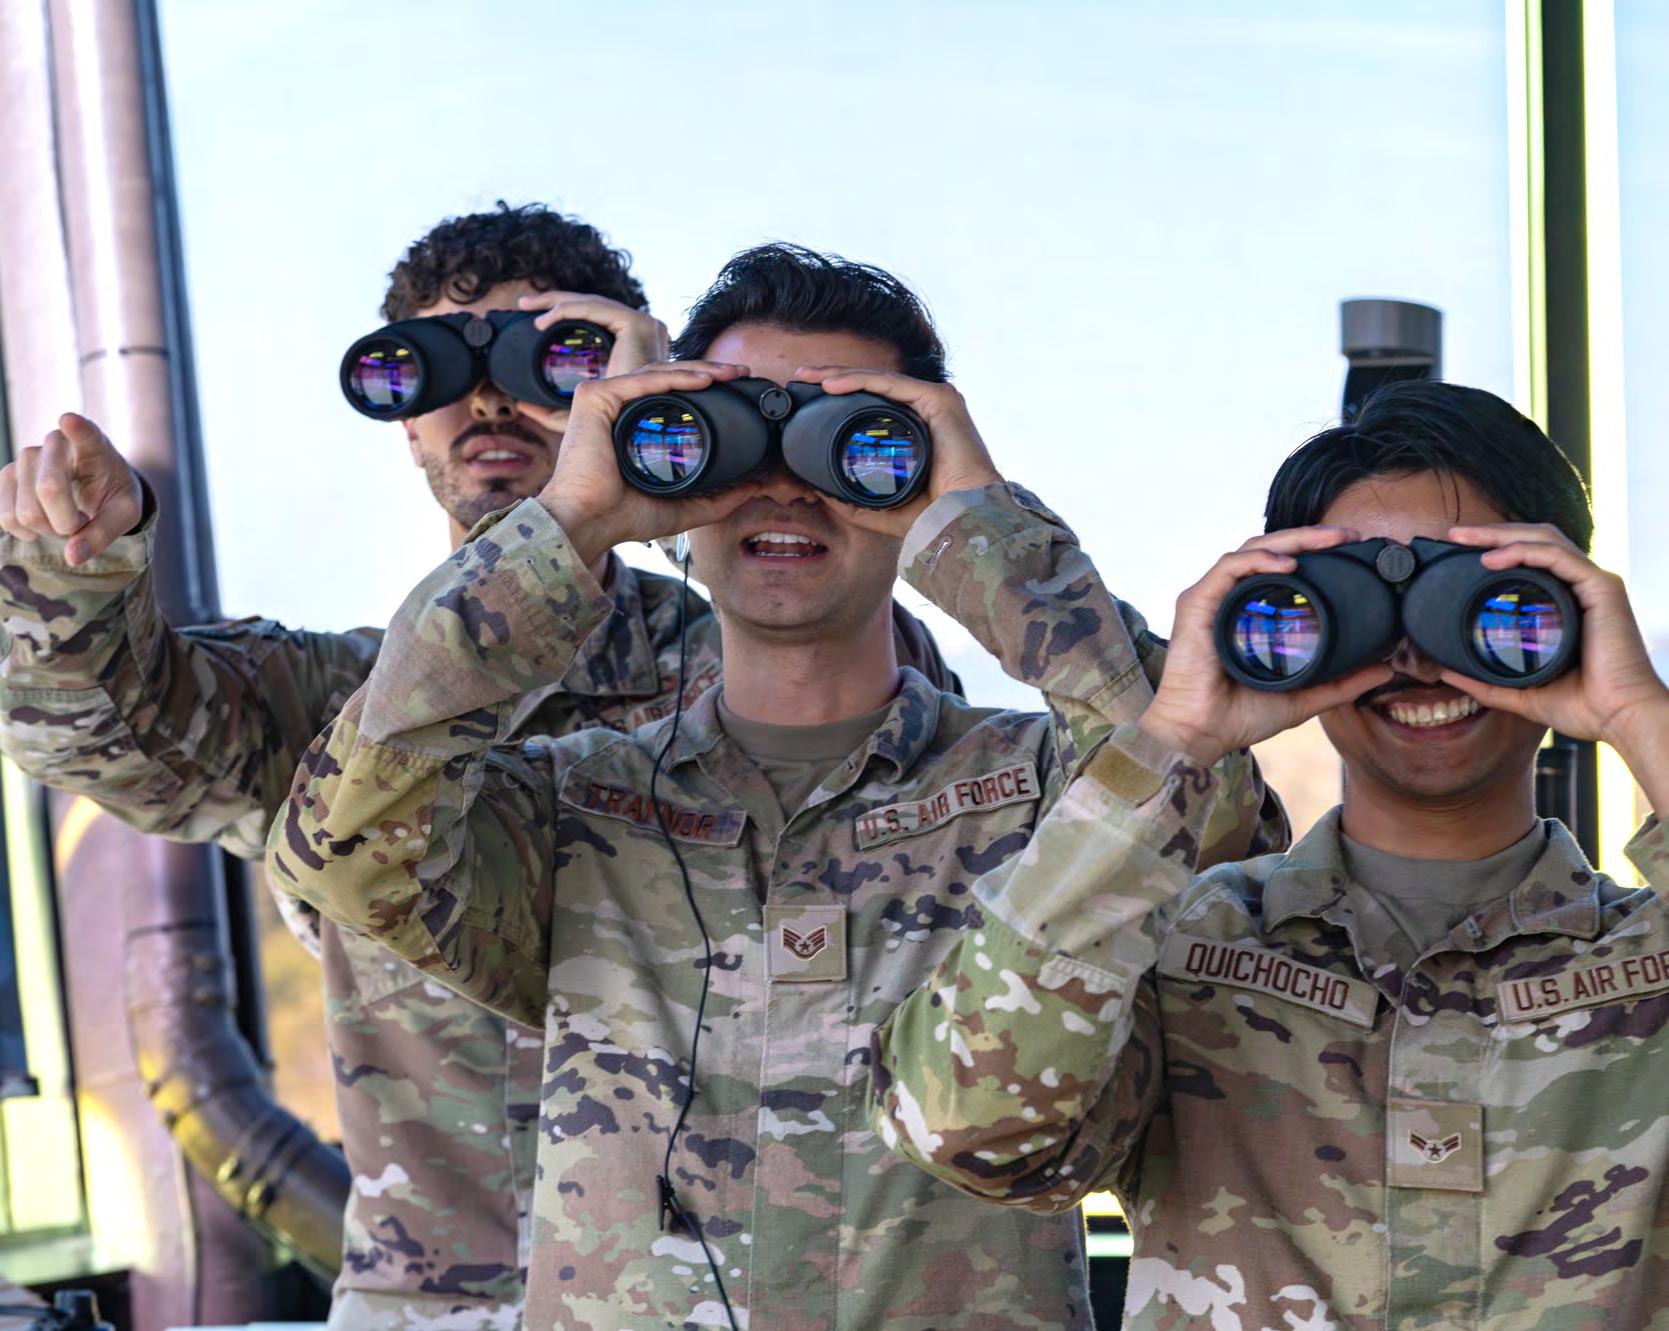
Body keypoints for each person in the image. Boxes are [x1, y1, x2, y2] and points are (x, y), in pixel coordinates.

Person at [264, 242, 1285, 1330]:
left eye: (851, 441)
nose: (789, 484)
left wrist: (988, 530)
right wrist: (571, 522)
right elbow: (345, 852)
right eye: (738, 435)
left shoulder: (1047, 794)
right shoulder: (572, 811)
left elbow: (1212, 813)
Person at [0, 207, 959, 1329]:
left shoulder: (769, 659)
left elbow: (906, 779)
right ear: (405, 421)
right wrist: (73, 567)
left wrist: (672, 458)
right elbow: (87, 732)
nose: (492, 400)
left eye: (548, 356)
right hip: (439, 1305)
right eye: (442, 365)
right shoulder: (346, 701)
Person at [872, 379, 1669, 1328]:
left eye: (1471, 596)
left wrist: (1639, 713)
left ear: (1573, 605)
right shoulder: (1180, 952)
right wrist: (1171, 740)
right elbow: (965, 1126)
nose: (1414, 657)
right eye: (1361, 600)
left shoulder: (1648, 965)